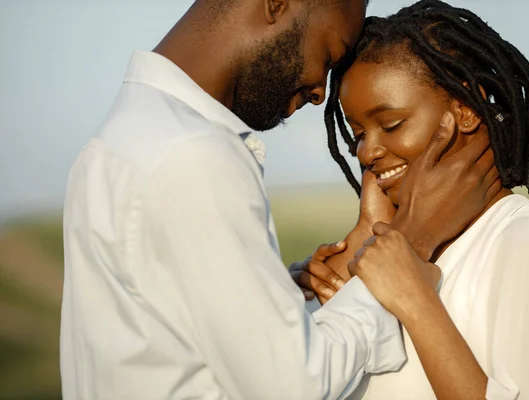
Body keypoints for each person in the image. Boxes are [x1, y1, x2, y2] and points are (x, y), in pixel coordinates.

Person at [59, 0, 504, 399]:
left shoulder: (116, 143)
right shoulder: (192, 156)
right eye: (329, 55)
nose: (319, 92)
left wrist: (287, 302)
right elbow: (294, 385)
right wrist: (406, 247)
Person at [292, 1, 529, 399]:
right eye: (358, 134)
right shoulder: (390, 250)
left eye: (391, 124)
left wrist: (416, 302)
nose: (368, 152)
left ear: (466, 109)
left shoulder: (524, 244)